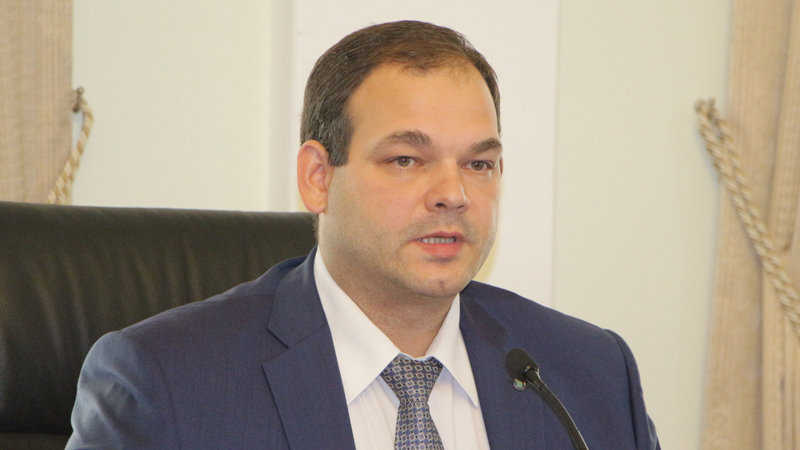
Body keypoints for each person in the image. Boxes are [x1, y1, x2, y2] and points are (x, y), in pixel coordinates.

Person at [66, 20, 660, 450]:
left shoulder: (589, 374)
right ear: (318, 177)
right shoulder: (168, 381)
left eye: (479, 163)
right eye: (406, 159)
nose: (453, 193)